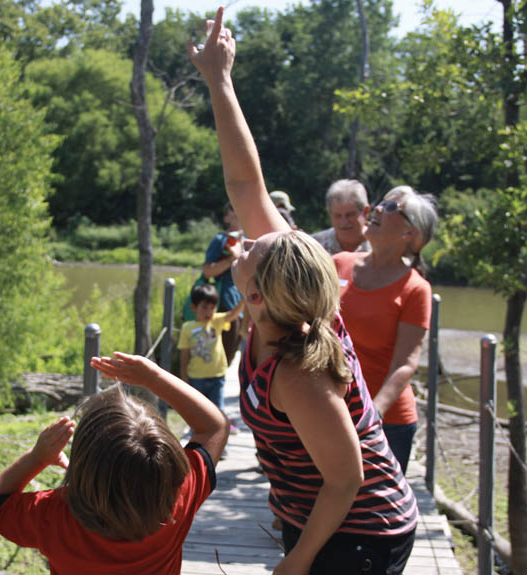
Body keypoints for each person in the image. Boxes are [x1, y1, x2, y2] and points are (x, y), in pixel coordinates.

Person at [189, 10, 418, 574]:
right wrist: (219, 79)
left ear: (258, 298)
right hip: (320, 517)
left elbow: (346, 479)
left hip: (359, 533)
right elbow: (246, 184)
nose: (241, 248)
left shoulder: (301, 373)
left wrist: (300, 559)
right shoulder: (298, 308)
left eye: (250, 253)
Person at [0, 354, 229, 575]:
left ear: (83, 464)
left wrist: (37, 458)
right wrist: (153, 377)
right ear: (168, 464)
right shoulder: (176, 499)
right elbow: (215, 426)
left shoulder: (53, 516)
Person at [333, 185, 438, 473]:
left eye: (392, 208)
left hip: (386, 422)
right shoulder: (338, 264)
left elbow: (405, 364)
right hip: (330, 410)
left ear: (410, 234)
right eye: (381, 203)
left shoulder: (416, 289)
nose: (378, 209)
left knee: (376, 516)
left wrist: (371, 416)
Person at [179, 282, 244, 414]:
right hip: (196, 377)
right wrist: (183, 376)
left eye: (212, 308)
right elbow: (184, 354)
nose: (209, 312)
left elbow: (232, 315)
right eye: (204, 307)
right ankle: (196, 430)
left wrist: (244, 300)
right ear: (193, 307)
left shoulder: (217, 321)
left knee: (218, 410)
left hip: (217, 375)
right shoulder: (187, 327)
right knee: (197, 410)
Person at [202, 202, 244, 365]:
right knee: (222, 354)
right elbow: (207, 271)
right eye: (232, 209)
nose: (238, 210)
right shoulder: (220, 240)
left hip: (243, 305)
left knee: (233, 352)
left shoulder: (248, 239)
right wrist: (231, 260)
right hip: (224, 303)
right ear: (226, 218)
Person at [312, 179, 371, 254]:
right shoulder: (314, 247)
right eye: (338, 216)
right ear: (329, 214)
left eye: (350, 214)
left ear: (365, 212)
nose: (344, 222)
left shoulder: (382, 246)